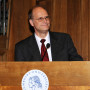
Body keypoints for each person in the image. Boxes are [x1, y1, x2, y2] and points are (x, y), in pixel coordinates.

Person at [15, 5, 83, 61]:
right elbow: (20, 72)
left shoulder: (64, 39)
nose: (45, 21)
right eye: (40, 18)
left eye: (46, 17)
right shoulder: (22, 47)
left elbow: (77, 61)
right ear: (31, 22)